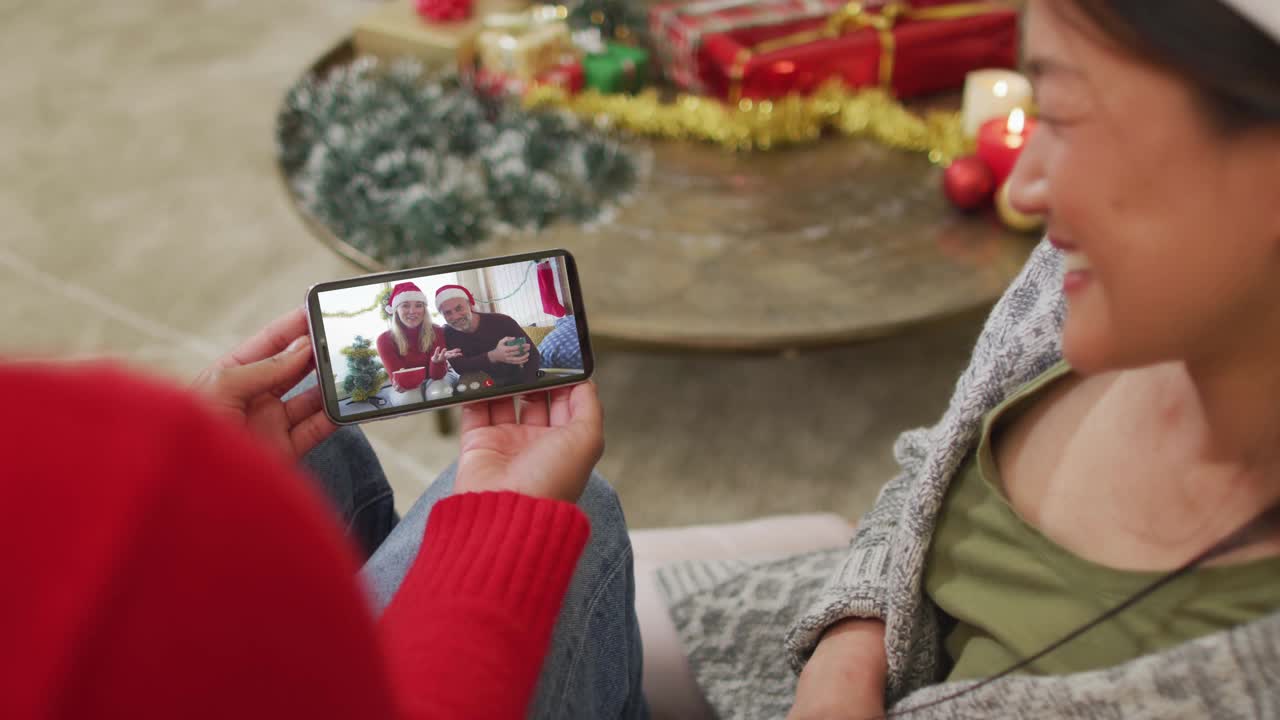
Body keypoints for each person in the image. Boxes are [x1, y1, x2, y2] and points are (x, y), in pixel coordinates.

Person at [652, 1, 1280, 717]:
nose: (1021, 186)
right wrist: (848, 655)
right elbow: (933, 471)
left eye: (1068, 115)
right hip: (777, 634)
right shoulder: (1079, 282)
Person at [2, 307, 647, 719]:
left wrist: (190, 474)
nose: (436, 311)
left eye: (442, 306)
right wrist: (495, 539)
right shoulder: (416, 339)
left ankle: (382, 572)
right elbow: (412, 370)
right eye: (427, 306)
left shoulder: (476, 327)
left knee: (317, 436)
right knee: (576, 511)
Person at [436, 283, 542, 388]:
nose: (455, 316)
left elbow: (532, 355)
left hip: (515, 380)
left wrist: (528, 387)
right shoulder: (446, 334)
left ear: (469, 305)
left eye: (459, 308)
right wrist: (493, 356)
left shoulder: (502, 321)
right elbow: (460, 367)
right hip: (478, 385)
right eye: (448, 313)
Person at [375, 281, 461, 406]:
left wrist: (437, 362)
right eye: (405, 305)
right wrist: (402, 383)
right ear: (396, 310)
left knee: (438, 393)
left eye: (418, 305)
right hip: (409, 384)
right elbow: (401, 380)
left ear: (424, 309)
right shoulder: (384, 340)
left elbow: (437, 375)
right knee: (409, 399)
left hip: (438, 377)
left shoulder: (436, 331)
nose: (413, 311)